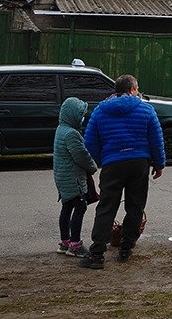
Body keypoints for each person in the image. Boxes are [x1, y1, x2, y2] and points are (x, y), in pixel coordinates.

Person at [80, 74, 165, 269]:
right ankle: (127, 246)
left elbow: (90, 141)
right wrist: (159, 164)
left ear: (116, 90)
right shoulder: (145, 109)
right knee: (135, 205)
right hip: (139, 163)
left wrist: (103, 160)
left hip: (113, 163)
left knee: (107, 206)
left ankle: (97, 252)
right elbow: (156, 139)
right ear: (133, 89)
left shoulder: (100, 111)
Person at [53, 96, 97, 258]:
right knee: (80, 207)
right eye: (81, 115)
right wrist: (92, 167)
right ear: (73, 115)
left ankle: (65, 242)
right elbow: (81, 155)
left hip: (62, 177)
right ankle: (75, 244)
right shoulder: (72, 134)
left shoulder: (61, 129)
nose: (83, 118)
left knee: (66, 207)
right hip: (74, 179)